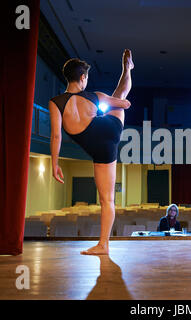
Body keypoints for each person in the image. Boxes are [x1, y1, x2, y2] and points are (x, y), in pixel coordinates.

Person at [49, 49, 134, 255]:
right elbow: (126, 103)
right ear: (82, 77)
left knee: (106, 199)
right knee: (119, 94)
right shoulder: (94, 96)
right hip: (110, 132)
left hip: (100, 146)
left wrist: (55, 164)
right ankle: (127, 68)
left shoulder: (55, 103)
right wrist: (110, 102)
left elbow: (56, 136)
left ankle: (103, 245)